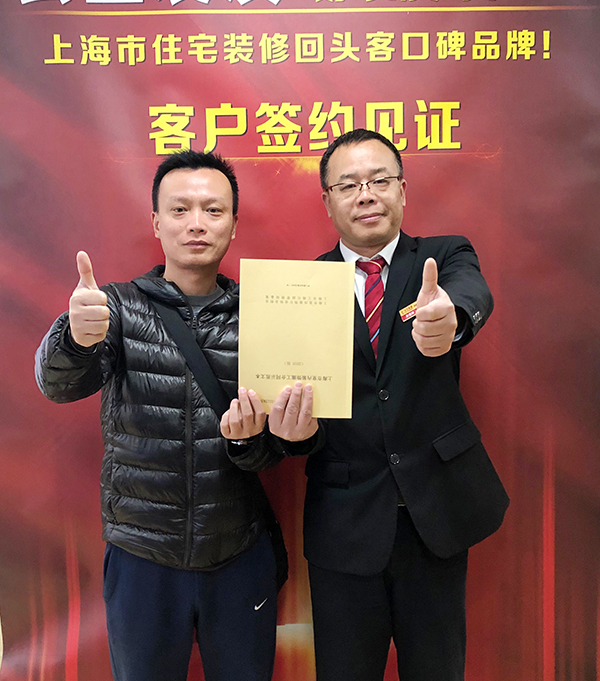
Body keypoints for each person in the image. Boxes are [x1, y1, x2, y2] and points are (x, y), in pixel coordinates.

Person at [34, 150, 314, 681]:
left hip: (237, 551)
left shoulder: (263, 316)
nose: (196, 224)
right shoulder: (115, 308)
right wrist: (75, 338)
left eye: (213, 210)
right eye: (180, 209)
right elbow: (57, 384)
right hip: (142, 555)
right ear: (156, 222)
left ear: (234, 223)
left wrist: (249, 441)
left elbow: (269, 453)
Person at [303, 129, 509, 681]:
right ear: (327, 200)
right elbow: (300, 403)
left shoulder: (444, 255)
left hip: (434, 514)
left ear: (402, 190)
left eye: (379, 180)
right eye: (348, 185)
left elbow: (470, 292)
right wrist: (289, 428)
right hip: (344, 523)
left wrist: (451, 318)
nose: (366, 194)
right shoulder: (304, 286)